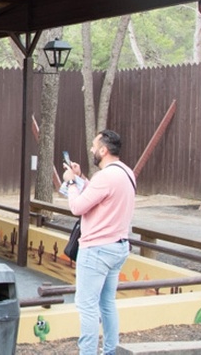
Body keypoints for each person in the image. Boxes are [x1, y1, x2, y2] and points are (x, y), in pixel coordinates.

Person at [61, 129, 136, 355]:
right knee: (107, 303)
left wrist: (71, 183)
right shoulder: (127, 173)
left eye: (94, 146)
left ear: (104, 150)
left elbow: (77, 207)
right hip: (119, 246)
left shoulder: (104, 177)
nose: (92, 150)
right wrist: (81, 177)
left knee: (87, 306)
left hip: (96, 249)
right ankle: (110, 350)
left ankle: (88, 352)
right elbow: (101, 196)